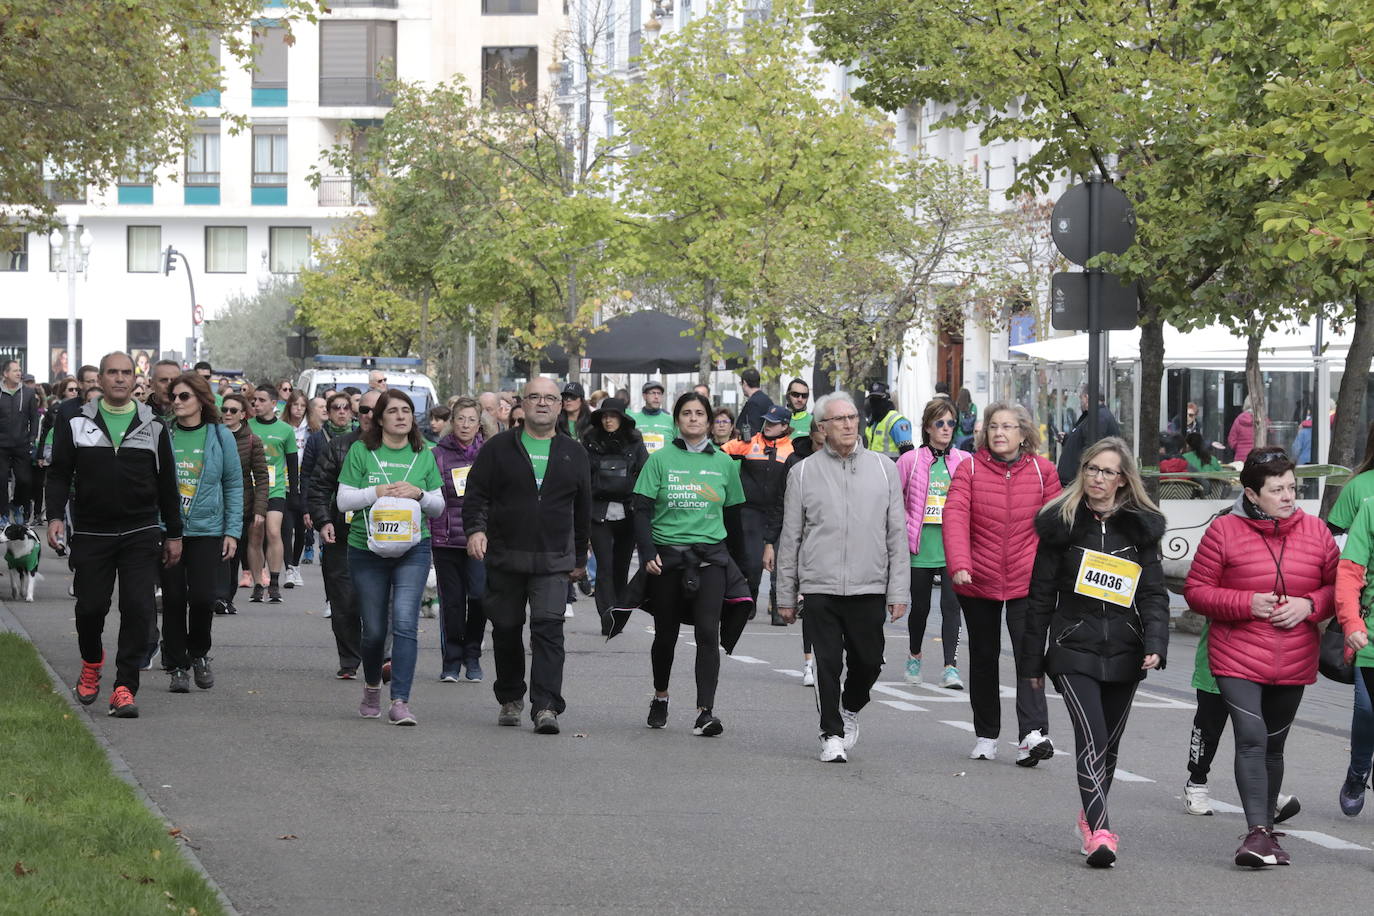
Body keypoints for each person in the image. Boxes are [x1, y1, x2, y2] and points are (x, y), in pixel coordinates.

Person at [1184, 447, 1337, 867]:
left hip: (1294, 657)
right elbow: (1196, 592)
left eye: (1292, 487)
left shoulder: (1316, 532)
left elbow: (1336, 589)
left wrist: (1310, 606)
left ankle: (1266, 832)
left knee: (1273, 746)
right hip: (1236, 655)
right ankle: (1256, 835)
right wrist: (1245, 603)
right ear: (1252, 494)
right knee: (1251, 740)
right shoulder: (1224, 531)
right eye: (1277, 490)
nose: (1288, 496)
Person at [1021, 437, 1169, 867]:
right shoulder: (1060, 523)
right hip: (1072, 648)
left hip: (1126, 650)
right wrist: (1032, 662)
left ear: (1123, 480)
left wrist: (1156, 644)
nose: (1097, 478)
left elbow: (1155, 593)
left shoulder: (1140, 527)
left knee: (1111, 745)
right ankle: (1101, 832)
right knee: (1093, 738)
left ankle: (1088, 818)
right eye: (1091, 469)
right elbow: (1040, 597)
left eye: (1107, 471)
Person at [47, 352, 183, 719]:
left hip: (140, 529)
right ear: (100, 380)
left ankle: (124, 687)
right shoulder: (75, 420)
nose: (120, 379)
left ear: (135, 378)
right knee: (90, 608)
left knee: (139, 608)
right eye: (112, 373)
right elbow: (58, 472)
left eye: (126, 373)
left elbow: (168, 483)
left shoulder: (152, 423)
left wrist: (174, 533)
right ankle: (92, 662)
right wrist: (55, 516)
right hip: (92, 530)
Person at [777, 392, 909, 762]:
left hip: (869, 584)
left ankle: (850, 708)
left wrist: (898, 590)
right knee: (828, 663)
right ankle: (830, 733)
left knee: (870, 661)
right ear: (822, 428)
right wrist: (785, 596)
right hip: (820, 586)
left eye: (852, 417)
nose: (849, 424)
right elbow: (791, 538)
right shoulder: (803, 472)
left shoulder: (884, 468)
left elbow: (896, 534)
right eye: (839, 420)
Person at [463, 377, 591, 734]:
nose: (542, 403)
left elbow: (583, 509)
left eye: (550, 398)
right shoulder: (498, 448)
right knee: (505, 629)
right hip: (505, 554)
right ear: (523, 403)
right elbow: (476, 495)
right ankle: (510, 697)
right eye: (534, 397)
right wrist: (475, 530)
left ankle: (546, 706)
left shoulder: (574, 452)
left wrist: (579, 557)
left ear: (559, 405)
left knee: (549, 630)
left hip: (553, 559)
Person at [944, 401, 1063, 764]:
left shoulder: (1044, 472)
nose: (999, 433)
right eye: (994, 426)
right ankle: (986, 734)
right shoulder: (970, 469)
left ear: (1024, 433)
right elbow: (954, 516)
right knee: (984, 657)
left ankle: (1032, 732)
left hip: (1028, 581)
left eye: (1008, 427)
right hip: (978, 579)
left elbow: (1057, 524)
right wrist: (960, 563)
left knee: (1030, 657)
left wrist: (1055, 571)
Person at [630, 391, 746, 736]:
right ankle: (661, 696)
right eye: (686, 413)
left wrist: (742, 570)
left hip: (711, 559)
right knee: (666, 634)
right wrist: (648, 551)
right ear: (677, 420)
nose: (693, 419)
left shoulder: (725, 463)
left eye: (699, 413)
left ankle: (705, 712)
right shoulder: (660, 460)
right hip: (668, 559)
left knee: (708, 632)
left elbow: (735, 520)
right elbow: (641, 509)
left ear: (709, 421)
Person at [336, 389, 443, 725]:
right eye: (393, 411)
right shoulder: (361, 451)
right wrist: (376, 492)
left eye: (407, 410)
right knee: (375, 631)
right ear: (379, 418)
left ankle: (400, 701)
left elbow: (438, 507)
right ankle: (371, 688)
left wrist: (420, 494)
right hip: (366, 551)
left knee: (406, 623)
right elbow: (343, 502)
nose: (401, 416)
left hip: (414, 549)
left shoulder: (425, 452)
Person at [159, 373, 242, 694]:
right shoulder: (164, 435)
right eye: (174, 397)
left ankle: (199, 654)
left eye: (184, 397)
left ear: (200, 399)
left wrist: (232, 531)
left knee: (204, 598)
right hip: (170, 531)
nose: (177, 402)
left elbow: (234, 485)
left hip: (208, 529)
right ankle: (177, 665)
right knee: (175, 599)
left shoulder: (220, 436)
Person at [896, 398, 970, 690]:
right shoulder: (910, 461)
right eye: (940, 423)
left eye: (950, 423)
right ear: (927, 427)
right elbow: (894, 499)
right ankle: (914, 656)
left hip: (952, 547)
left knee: (952, 607)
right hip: (920, 546)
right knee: (921, 608)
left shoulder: (964, 461)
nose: (946, 428)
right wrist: (904, 524)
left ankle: (950, 667)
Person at [1320, 419, 1374, 816]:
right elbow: (1340, 556)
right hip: (1367, 629)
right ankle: (1358, 772)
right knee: (1367, 709)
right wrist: (1351, 617)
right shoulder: (1363, 493)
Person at [307, 390, 379, 679]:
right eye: (363, 410)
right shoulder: (338, 447)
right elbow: (319, 487)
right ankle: (350, 659)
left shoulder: (401, 450)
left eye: (375, 411)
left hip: (387, 536)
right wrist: (323, 521)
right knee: (344, 600)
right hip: (343, 533)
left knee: (379, 601)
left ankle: (381, 654)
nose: (368, 416)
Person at [724, 404, 799, 625]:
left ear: (785, 426)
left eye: (773, 424)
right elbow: (720, 453)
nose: (767, 426)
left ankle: (778, 608)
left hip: (779, 512)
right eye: (766, 421)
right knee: (752, 561)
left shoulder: (791, 451)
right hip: (751, 511)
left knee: (780, 562)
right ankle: (751, 600)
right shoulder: (750, 443)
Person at [431, 397, 488, 683]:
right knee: (452, 603)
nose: (465, 425)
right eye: (460, 419)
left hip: (479, 540)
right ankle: (451, 660)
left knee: (479, 597)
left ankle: (473, 654)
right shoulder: (437, 455)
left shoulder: (489, 455)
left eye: (471, 420)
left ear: (480, 424)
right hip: (445, 540)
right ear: (452, 422)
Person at [582, 397, 647, 634]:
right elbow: (584, 478)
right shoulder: (589, 443)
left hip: (628, 512)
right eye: (605, 416)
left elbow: (644, 474)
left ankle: (618, 612)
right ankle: (606, 615)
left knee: (621, 566)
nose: (609, 420)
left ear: (622, 418)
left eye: (613, 415)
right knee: (605, 566)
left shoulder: (635, 443)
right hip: (599, 513)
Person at [247, 381, 297, 602]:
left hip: (276, 489)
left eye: (261, 400)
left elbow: (292, 463)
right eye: (254, 400)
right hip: (252, 490)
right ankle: (258, 584)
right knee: (255, 535)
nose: (256, 404)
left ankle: (274, 583)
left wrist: (294, 493)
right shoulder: (246, 426)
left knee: (274, 532)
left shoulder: (286, 430)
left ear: (274, 403)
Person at [219, 394, 267, 617]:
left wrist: (259, 509)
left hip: (241, 506)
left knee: (231, 555)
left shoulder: (252, 440)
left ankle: (225, 598)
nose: (227, 413)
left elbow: (261, 477)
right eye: (225, 409)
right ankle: (214, 595)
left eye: (233, 410)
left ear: (243, 415)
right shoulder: (213, 435)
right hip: (213, 503)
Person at [0, 359, 39, 524]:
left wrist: (31, 438)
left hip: (22, 444)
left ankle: (16, 505)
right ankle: (2, 514)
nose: (19, 373)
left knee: (24, 481)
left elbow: (34, 418)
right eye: (15, 370)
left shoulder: (29, 393)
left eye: (19, 370)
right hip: (1, 445)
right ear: (5, 374)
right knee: (1, 481)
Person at [1056, 388, 1122, 485]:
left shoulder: (1099, 417)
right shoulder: (1094, 416)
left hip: (1077, 484)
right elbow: (1084, 442)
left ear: (1087, 398)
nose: (1080, 403)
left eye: (1081, 398)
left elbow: (1091, 449)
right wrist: (1067, 440)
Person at [280, 390, 310, 588]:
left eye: (302, 405)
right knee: (286, 528)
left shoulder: (312, 430)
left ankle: (296, 565)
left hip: (304, 485)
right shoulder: (282, 428)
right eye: (295, 405)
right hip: (284, 484)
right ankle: (289, 568)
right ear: (289, 406)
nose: (298, 409)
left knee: (301, 530)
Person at [863, 381, 914, 457]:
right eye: (872, 399)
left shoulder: (897, 421)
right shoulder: (872, 421)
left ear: (887, 399)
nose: (875, 402)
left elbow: (908, 454)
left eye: (879, 399)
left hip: (893, 467)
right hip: (873, 467)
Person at [632, 380, 674, 453]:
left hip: (665, 464)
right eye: (653, 393)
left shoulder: (671, 420)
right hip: (642, 464)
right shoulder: (633, 420)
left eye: (659, 393)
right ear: (644, 396)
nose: (656, 397)